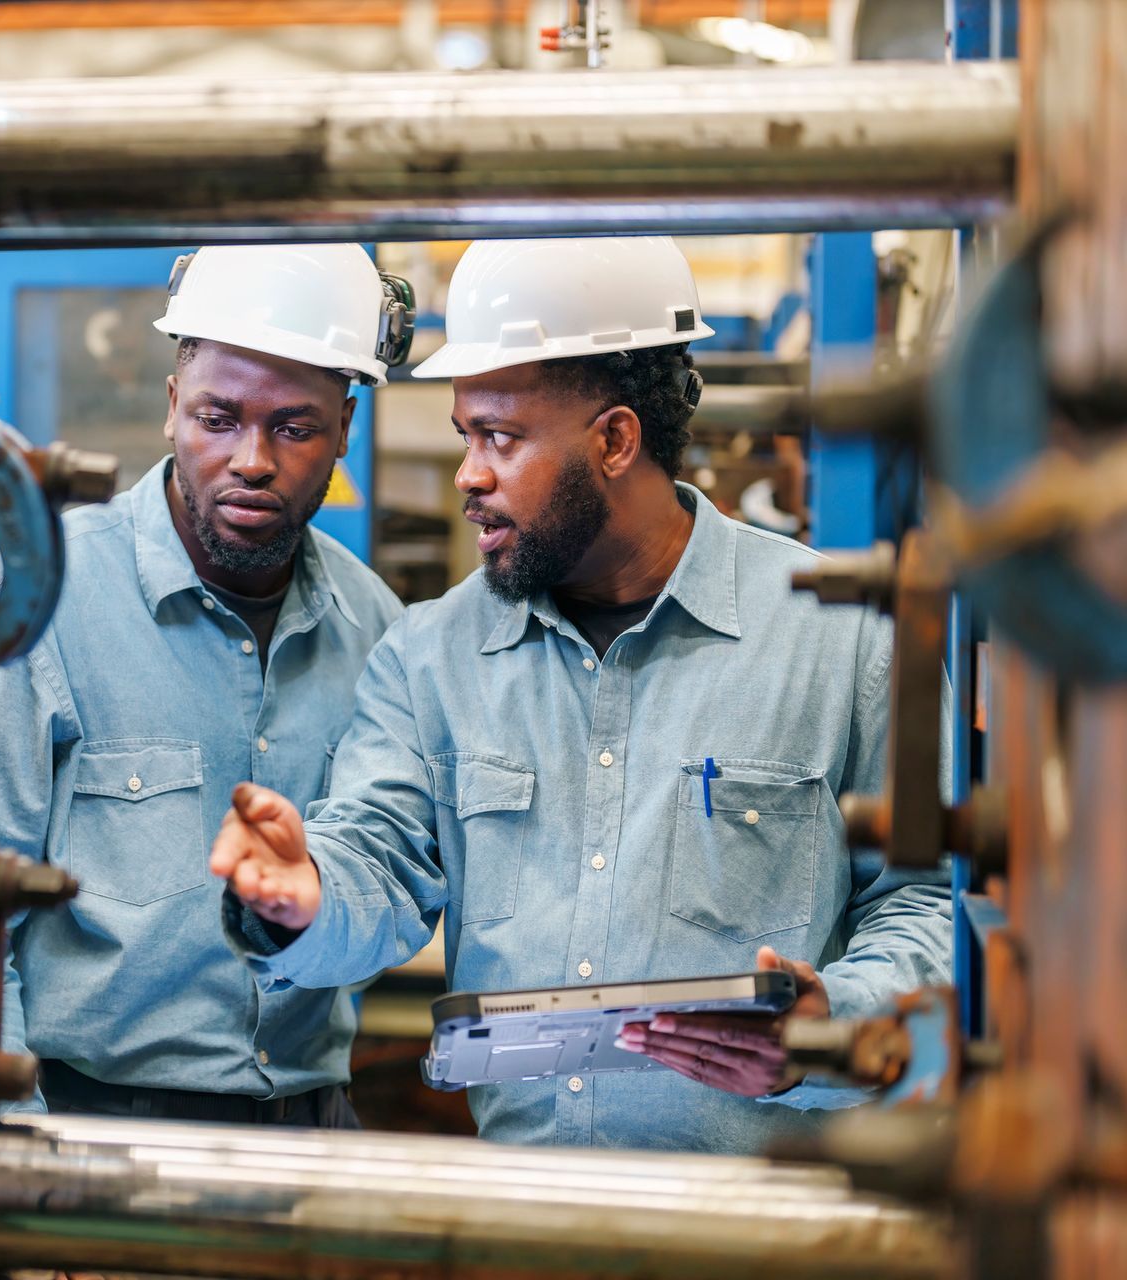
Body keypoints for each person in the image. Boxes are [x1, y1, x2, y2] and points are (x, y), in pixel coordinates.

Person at [208, 236, 951, 1153]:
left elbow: (934, 905)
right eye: (464, 436)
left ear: (614, 440)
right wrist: (306, 893)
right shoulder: (432, 656)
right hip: (533, 1223)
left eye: (501, 439)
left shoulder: (844, 637)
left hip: (771, 1225)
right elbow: (380, 858)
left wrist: (830, 1026)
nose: (468, 476)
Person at [0, 244, 410, 1125]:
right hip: (91, 1126)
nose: (252, 459)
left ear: (346, 428)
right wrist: (13, 1152)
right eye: (218, 417)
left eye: (296, 427)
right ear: (170, 409)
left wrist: (309, 907)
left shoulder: (377, 630)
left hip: (313, 1130)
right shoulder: (42, 599)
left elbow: (396, 886)